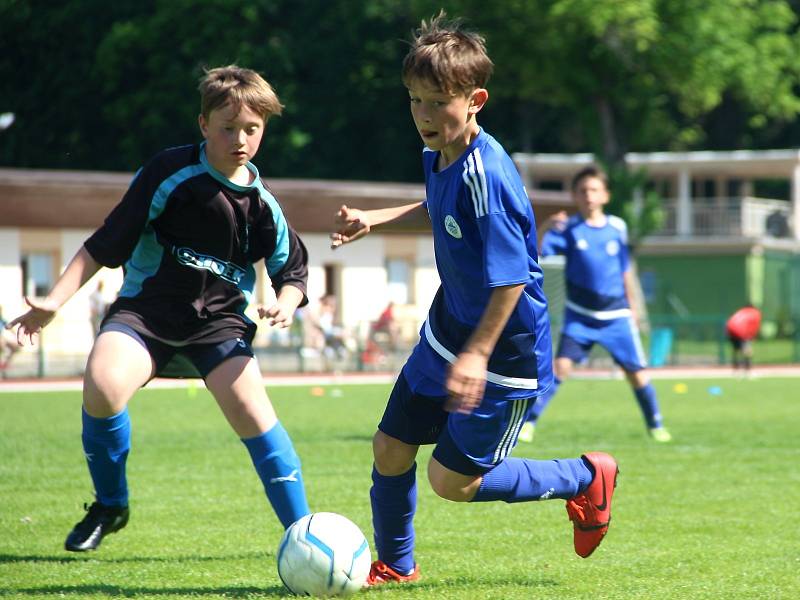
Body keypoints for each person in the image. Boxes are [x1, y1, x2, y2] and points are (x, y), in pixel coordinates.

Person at [330, 14, 619, 586]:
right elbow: (438, 204)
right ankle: (397, 566)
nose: (423, 115)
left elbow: (511, 280)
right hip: (447, 332)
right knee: (390, 447)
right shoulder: (439, 150)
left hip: (503, 354)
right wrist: (379, 217)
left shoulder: (491, 176)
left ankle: (584, 476)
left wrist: (477, 356)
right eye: (414, 100)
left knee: (451, 483)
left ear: (476, 100)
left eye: (437, 102)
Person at [6, 65, 312, 552]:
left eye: (251, 129)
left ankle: (305, 538)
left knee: (256, 416)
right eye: (227, 127)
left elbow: (293, 269)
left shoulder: (262, 204)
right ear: (203, 125)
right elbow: (105, 244)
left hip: (219, 328)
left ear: (264, 129)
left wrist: (287, 302)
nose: (240, 139)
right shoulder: (170, 173)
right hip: (145, 316)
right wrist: (53, 303)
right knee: (103, 385)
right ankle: (111, 504)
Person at [518, 166, 672, 444]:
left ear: (605, 195)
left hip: (617, 317)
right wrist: (545, 227)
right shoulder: (568, 230)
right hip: (580, 316)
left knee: (636, 374)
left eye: (594, 190)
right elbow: (537, 253)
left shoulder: (617, 228)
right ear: (575, 196)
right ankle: (529, 423)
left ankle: (656, 425)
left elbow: (625, 270)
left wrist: (633, 307)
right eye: (583, 191)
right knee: (560, 369)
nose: (588, 195)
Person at [726, 304, 762, 375]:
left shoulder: (741, 311)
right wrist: (751, 337)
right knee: (747, 350)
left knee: (736, 350)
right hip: (741, 330)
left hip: (730, 328)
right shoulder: (755, 313)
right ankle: (748, 370)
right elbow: (754, 326)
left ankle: (735, 369)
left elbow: (731, 321)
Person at [0, 305, 20, 372]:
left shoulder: (2, 320)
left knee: (16, 347)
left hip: (2, 339)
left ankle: (5, 363)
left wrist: (16, 335)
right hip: (1, 339)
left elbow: (9, 326)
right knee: (1, 341)